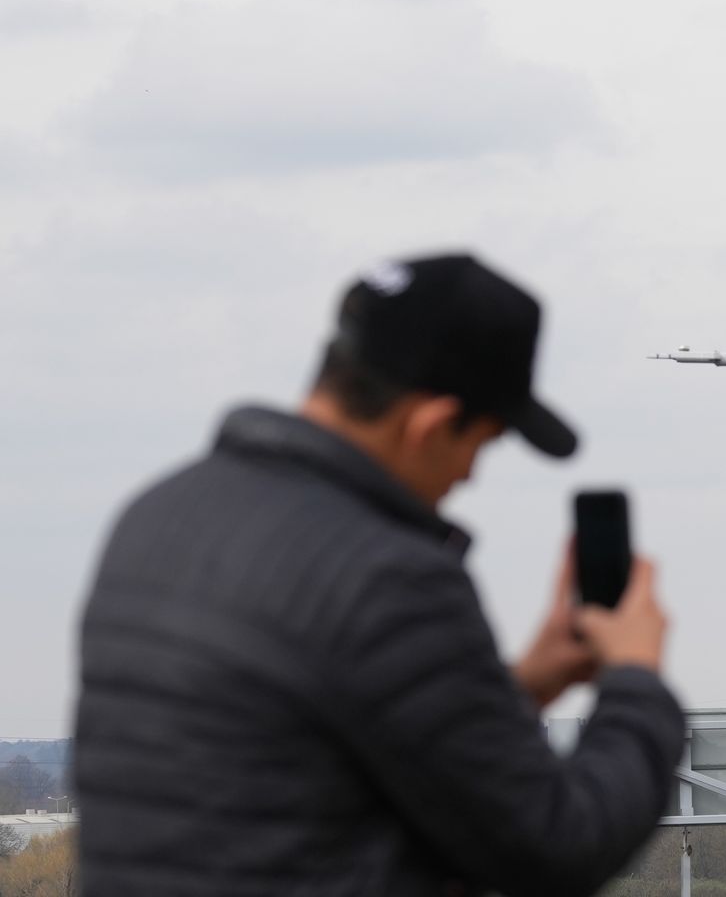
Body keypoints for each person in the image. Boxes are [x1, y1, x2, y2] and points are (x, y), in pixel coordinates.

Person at [74, 253, 684, 896]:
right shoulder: (390, 578)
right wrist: (636, 682)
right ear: (430, 424)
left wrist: (520, 687)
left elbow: (292, 764)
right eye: (480, 444)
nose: (469, 476)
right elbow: (560, 846)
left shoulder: (155, 517)